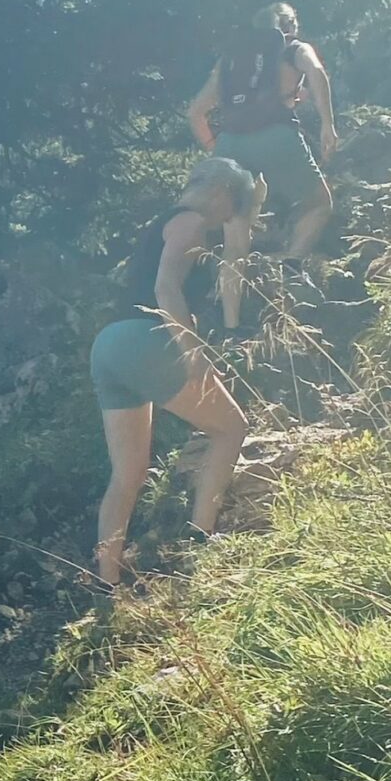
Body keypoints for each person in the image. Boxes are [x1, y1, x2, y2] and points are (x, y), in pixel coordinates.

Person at [88, 153, 260, 589]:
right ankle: (202, 538)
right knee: (231, 429)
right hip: (148, 339)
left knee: (128, 474)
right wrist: (192, 348)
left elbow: (232, 259)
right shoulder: (191, 222)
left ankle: (106, 582)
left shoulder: (165, 220)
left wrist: (249, 214)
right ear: (220, 192)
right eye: (234, 206)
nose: (230, 218)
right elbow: (165, 286)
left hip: (110, 344)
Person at [188, 3, 338, 261]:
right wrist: (327, 123)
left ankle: (234, 294)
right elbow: (316, 71)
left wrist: (217, 150)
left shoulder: (231, 60)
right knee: (319, 204)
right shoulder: (293, 48)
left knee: (235, 231)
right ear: (288, 25)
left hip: (229, 143)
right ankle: (292, 262)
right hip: (277, 136)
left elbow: (194, 112)